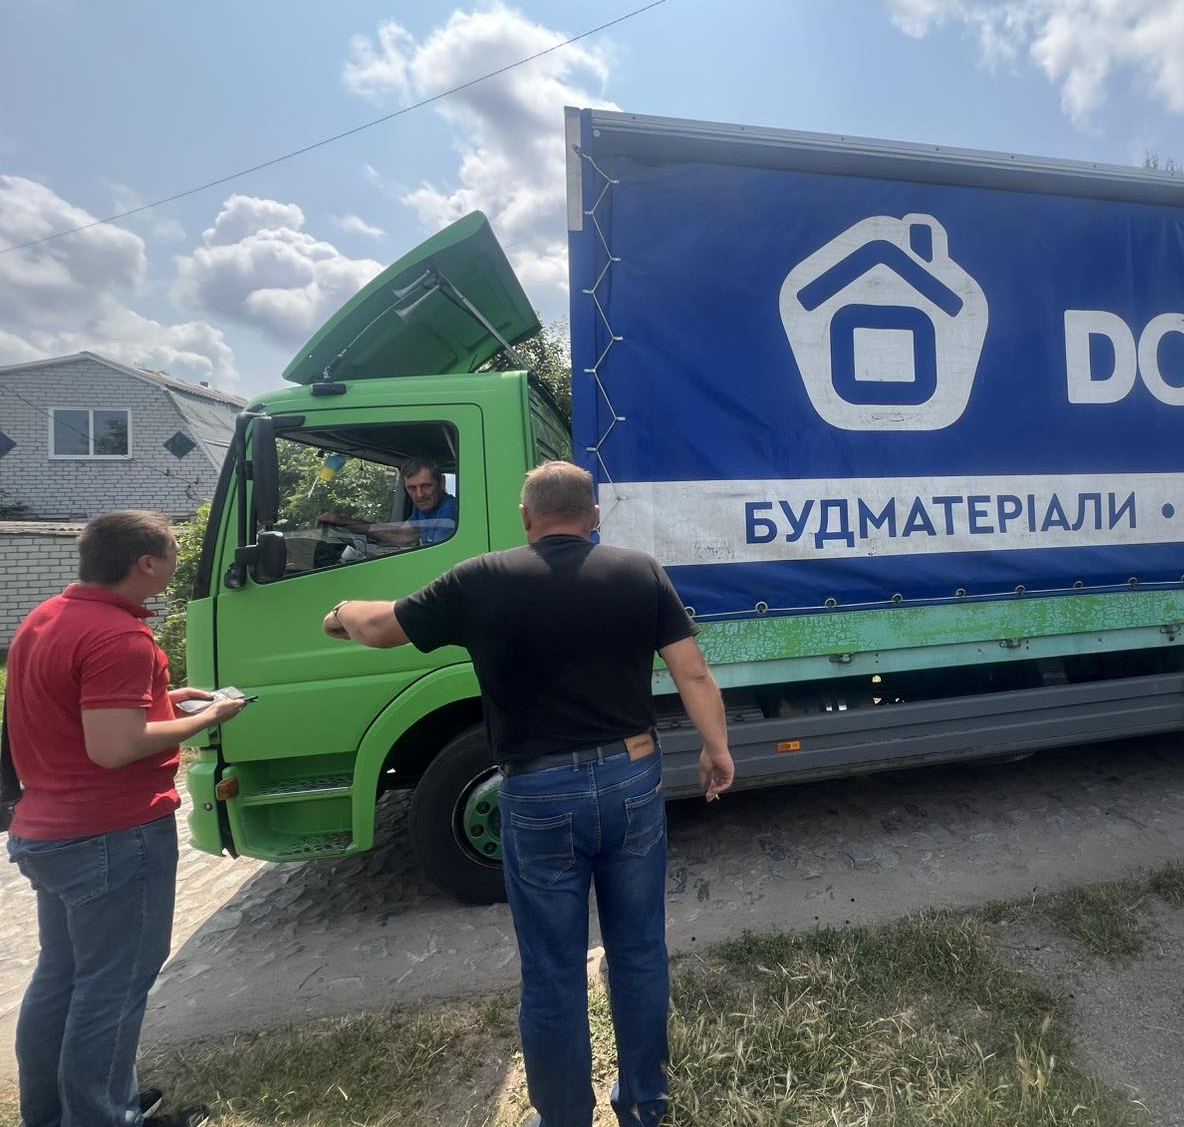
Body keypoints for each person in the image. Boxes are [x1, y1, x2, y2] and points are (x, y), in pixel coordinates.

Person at [320, 460, 734, 1127]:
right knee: (638, 950)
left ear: (526, 518)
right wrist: (716, 748)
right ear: (593, 518)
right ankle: (644, 1106)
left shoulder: (481, 578)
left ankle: (564, 1116)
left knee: (552, 970)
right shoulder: (638, 571)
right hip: (631, 777)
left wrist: (339, 611)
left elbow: (381, 628)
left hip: (538, 791)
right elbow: (693, 673)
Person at [4, 510, 246, 1127]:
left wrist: (166, 699)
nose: (175, 565)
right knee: (114, 986)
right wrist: (207, 718)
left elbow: (77, 710)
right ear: (146, 563)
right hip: (111, 835)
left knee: (63, 977)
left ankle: (52, 1115)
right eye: (172, 555)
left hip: (49, 831)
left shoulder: (46, 618)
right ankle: (104, 1118)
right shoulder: (120, 637)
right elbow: (114, 746)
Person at [317, 456, 458, 547]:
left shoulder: (451, 511)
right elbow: (402, 535)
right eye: (412, 488)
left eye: (426, 486)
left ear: (441, 483)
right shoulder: (424, 510)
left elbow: (437, 559)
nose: (419, 495)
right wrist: (341, 521)